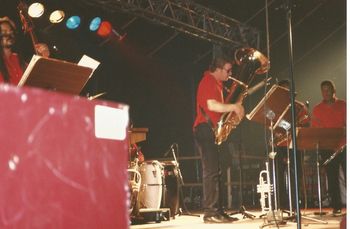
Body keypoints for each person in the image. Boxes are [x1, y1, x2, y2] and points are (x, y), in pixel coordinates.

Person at [193, 55, 245, 223]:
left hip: (210, 130)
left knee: (216, 172)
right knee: (211, 172)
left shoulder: (217, 84)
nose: (230, 74)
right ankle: (210, 213)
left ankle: (218, 211)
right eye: (228, 70)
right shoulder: (208, 80)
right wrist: (234, 106)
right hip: (204, 129)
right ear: (218, 69)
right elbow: (212, 105)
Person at [311, 80, 346, 216]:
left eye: (328, 90)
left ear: (333, 90)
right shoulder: (317, 109)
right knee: (331, 178)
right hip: (327, 148)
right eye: (323, 90)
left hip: (344, 146)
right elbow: (315, 130)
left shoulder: (343, 105)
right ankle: (336, 207)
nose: (325, 93)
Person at [0, 16, 49, 84]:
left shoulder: (17, 59)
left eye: (11, 32)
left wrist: (44, 58)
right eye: (4, 32)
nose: (9, 35)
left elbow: (37, 78)